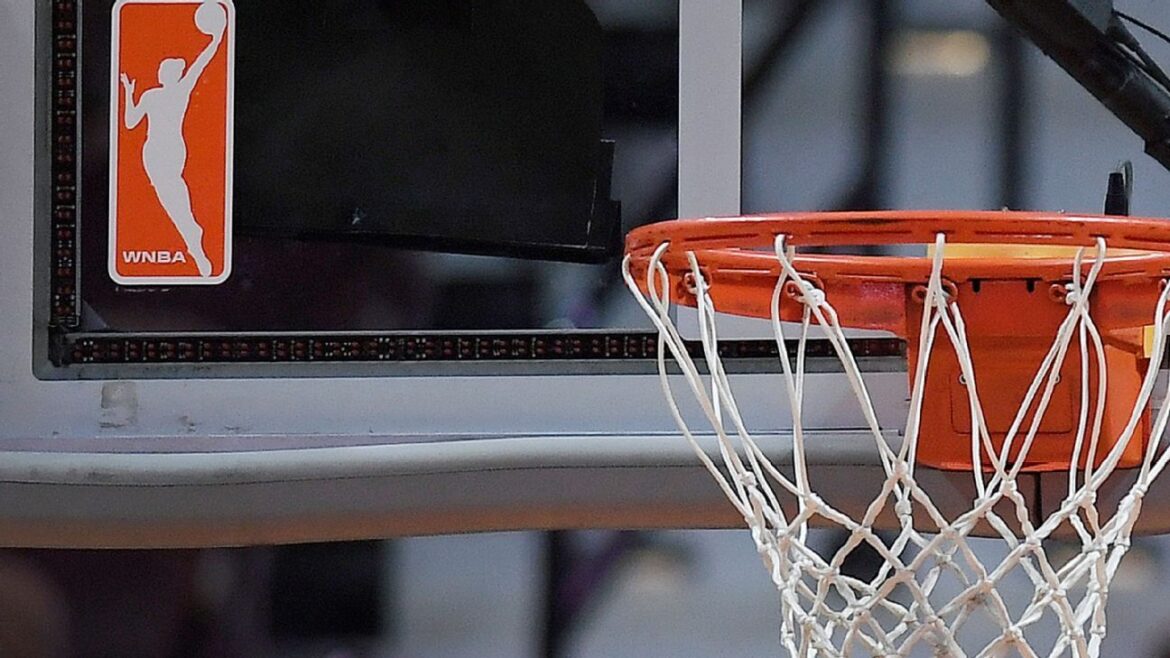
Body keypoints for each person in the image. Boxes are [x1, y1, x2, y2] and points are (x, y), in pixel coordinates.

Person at [120, 5, 226, 277]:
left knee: (172, 193)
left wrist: (217, 39)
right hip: (158, 150)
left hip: (165, 150)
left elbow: (200, 64)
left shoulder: (176, 92)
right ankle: (192, 235)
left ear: (170, 75)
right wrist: (128, 92)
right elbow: (130, 123)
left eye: (166, 70)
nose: (162, 73)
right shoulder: (161, 94)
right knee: (171, 193)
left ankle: (192, 236)